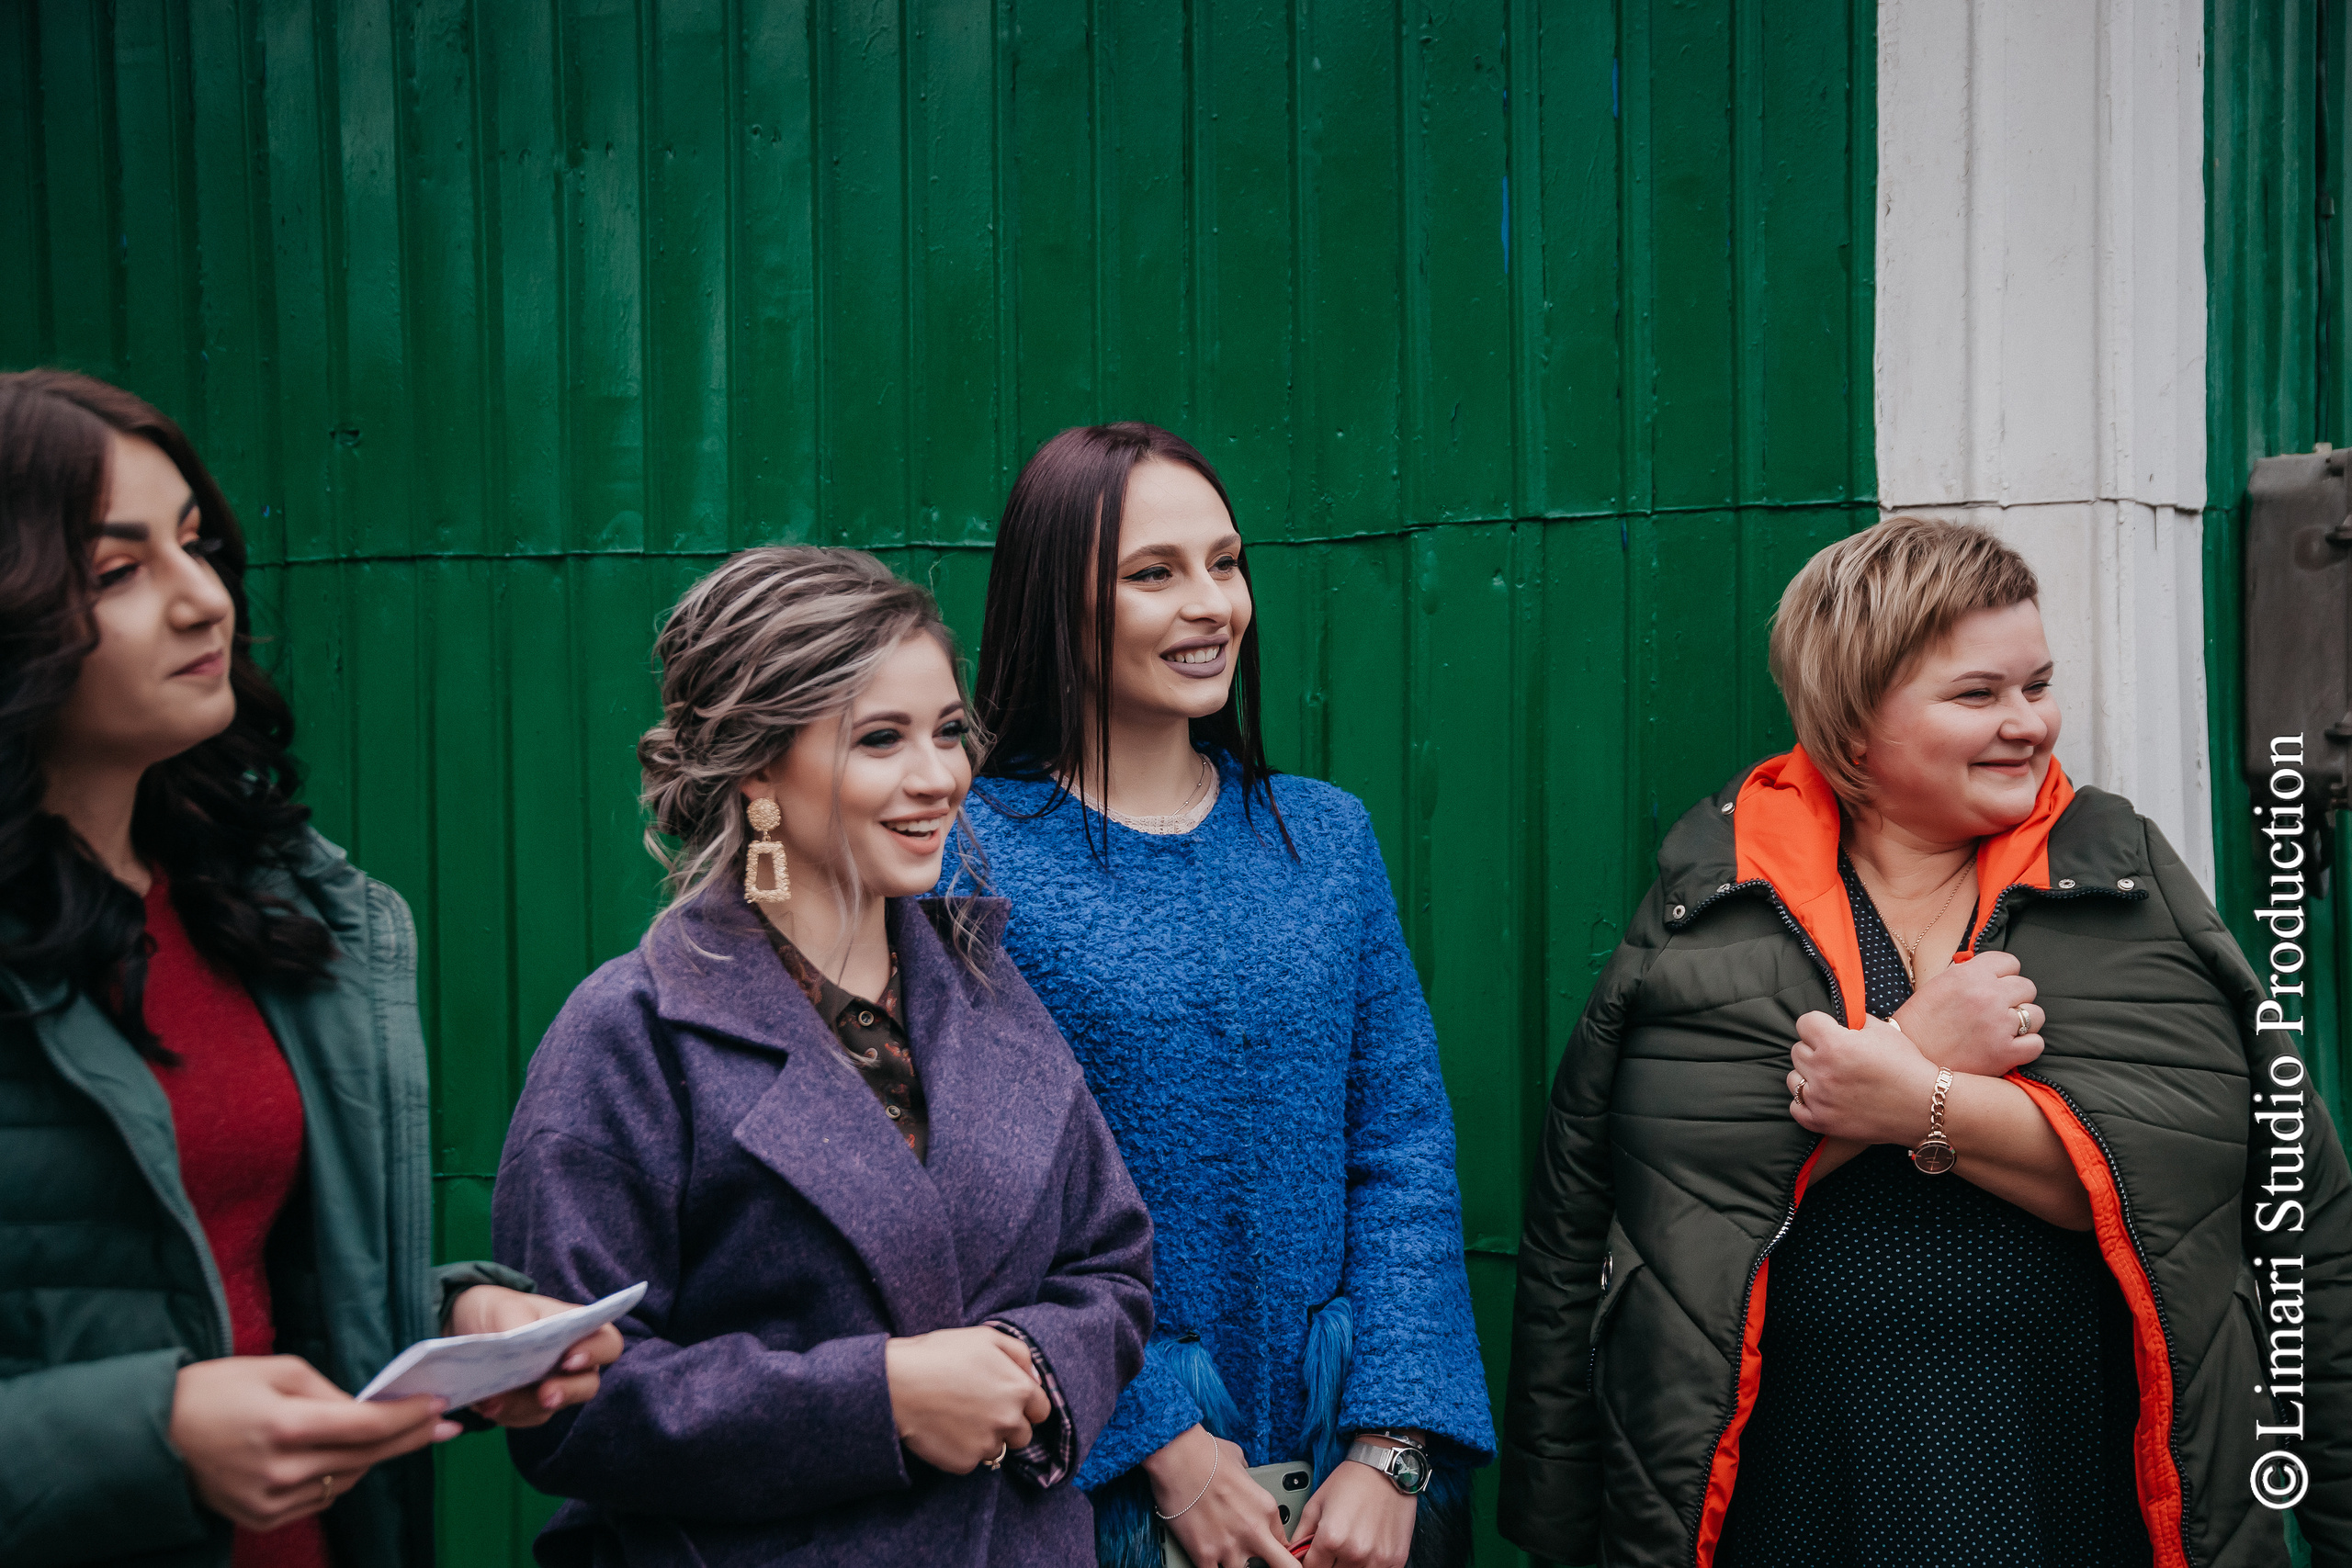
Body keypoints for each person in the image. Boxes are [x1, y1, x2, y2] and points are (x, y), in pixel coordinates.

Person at [1498, 517, 2352, 1568]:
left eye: (2036, 686)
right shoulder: (1716, 900)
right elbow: (1621, 1211)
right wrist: (1919, 1041)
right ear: (1853, 727)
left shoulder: (2115, 875)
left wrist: (1913, 1104)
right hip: (1794, 1480)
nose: (2027, 725)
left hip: (2072, 1469)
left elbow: (2215, 1174)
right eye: (1976, 695)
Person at [0, 370, 624, 1568]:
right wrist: (154, 1431)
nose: (202, 602)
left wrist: (455, 1321)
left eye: (196, 544)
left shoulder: (268, 908)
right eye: (117, 570)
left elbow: (239, 1276)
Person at [491, 547, 1155, 1566]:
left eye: (946, 732)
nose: (937, 778)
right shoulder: (631, 1035)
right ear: (759, 765)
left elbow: (1107, 1260)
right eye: (880, 739)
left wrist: (1034, 1365)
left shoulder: (985, 985)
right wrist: (879, 1400)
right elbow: (573, 1400)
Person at [947, 423, 1494, 1568]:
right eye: (1154, 573)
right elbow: (969, 1194)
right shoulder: (969, 856)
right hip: (1097, 1486)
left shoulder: (1324, 838)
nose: (1211, 605)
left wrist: (1391, 1446)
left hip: (1343, 1479)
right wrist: (1163, 1447)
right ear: (1058, 603)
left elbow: (1399, 1143)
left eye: (1226, 562)